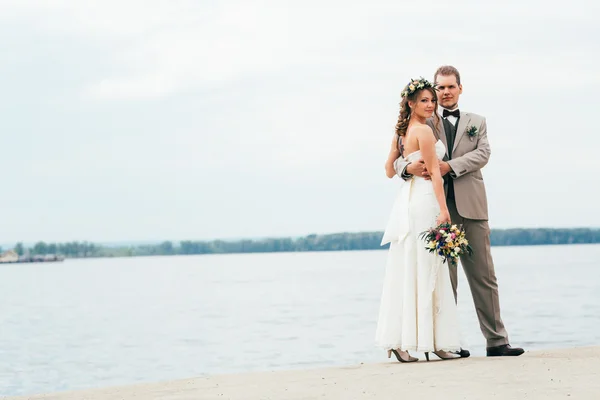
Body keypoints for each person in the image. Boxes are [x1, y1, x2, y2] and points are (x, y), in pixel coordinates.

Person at [394, 65, 524, 357]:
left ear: (460, 89)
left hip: (472, 207)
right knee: (442, 278)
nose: (445, 92)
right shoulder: (424, 120)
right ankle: (447, 343)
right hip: (435, 209)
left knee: (484, 276)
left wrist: (449, 166)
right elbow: (399, 156)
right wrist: (407, 168)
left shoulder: (477, 121)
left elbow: (483, 154)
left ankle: (497, 341)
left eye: (450, 87)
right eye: (440, 88)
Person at [375, 77, 461, 362]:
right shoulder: (423, 131)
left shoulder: (400, 134)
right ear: (410, 103)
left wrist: (406, 168)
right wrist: (444, 209)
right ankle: (431, 341)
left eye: (431, 100)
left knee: (410, 266)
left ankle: (407, 341)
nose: (430, 104)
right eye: (424, 100)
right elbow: (435, 173)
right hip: (424, 200)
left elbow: (389, 170)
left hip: (406, 202)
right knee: (426, 267)